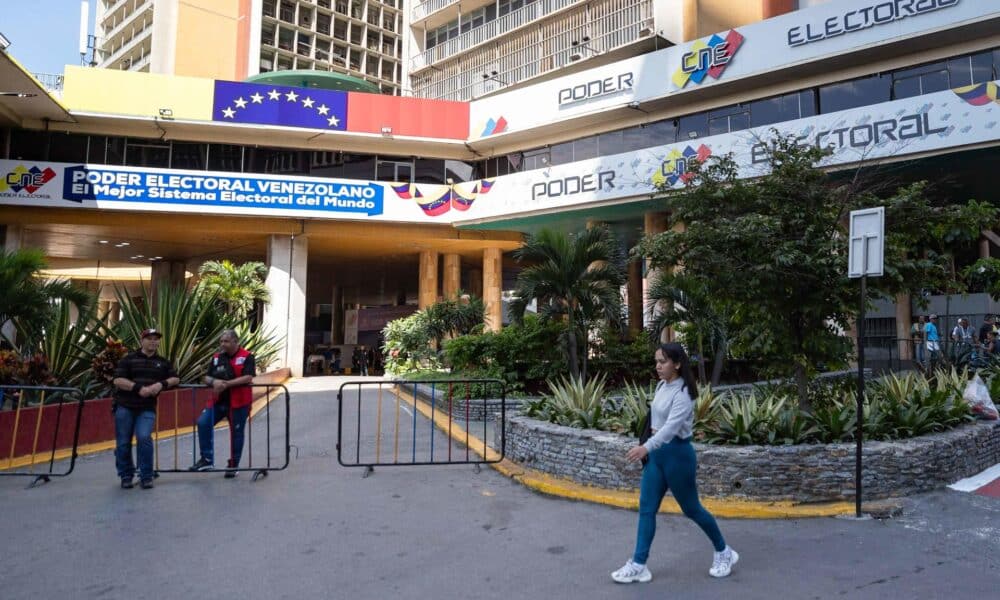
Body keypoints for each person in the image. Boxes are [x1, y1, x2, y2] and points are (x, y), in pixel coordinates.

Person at [611, 342, 738, 584]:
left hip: (678, 457)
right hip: (657, 458)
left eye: (663, 362)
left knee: (692, 509)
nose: (658, 366)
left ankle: (724, 552)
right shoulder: (662, 385)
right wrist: (648, 447)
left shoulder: (684, 395)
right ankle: (639, 564)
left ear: (677, 364)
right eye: (657, 361)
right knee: (647, 510)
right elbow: (655, 422)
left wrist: (644, 447)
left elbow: (670, 430)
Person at [111, 328, 179, 489]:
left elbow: (175, 378)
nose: (153, 341)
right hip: (125, 406)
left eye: (156, 339)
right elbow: (118, 380)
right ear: (142, 341)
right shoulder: (129, 359)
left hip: (146, 408)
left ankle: (146, 475)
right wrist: (137, 388)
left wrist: (160, 384)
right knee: (123, 442)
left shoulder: (162, 362)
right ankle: (126, 475)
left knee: (144, 437)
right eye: (149, 338)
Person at [189, 329, 256, 478]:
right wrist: (215, 381)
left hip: (239, 402)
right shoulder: (216, 358)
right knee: (203, 422)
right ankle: (207, 459)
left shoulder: (247, 357)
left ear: (235, 341)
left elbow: (248, 377)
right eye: (221, 341)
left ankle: (233, 465)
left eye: (225, 341)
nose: (222, 344)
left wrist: (226, 384)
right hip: (218, 401)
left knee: (237, 434)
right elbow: (206, 378)